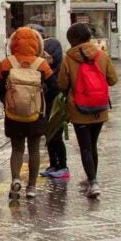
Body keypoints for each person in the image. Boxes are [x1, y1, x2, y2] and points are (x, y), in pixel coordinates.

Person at [58, 23, 119, 199]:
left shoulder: (68, 58)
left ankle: (93, 182)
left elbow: (62, 84)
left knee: (85, 147)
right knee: (93, 145)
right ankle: (92, 179)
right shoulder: (101, 55)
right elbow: (113, 79)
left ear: (72, 40)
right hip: (99, 108)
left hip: (79, 109)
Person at [0, 27, 58, 201]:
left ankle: (15, 180)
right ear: (37, 43)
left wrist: (8, 103)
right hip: (36, 114)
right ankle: (31, 187)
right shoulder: (41, 64)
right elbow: (55, 87)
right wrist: (42, 100)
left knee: (16, 149)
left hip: (13, 113)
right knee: (34, 149)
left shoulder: (7, 63)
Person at [39, 33, 69, 180]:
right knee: (49, 136)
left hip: (57, 109)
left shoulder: (59, 70)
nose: (45, 59)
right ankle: (53, 164)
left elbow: (58, 88)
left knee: (56, 137)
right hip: (47, 108)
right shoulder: (46, 69)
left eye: (47, 56)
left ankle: (63, 166)